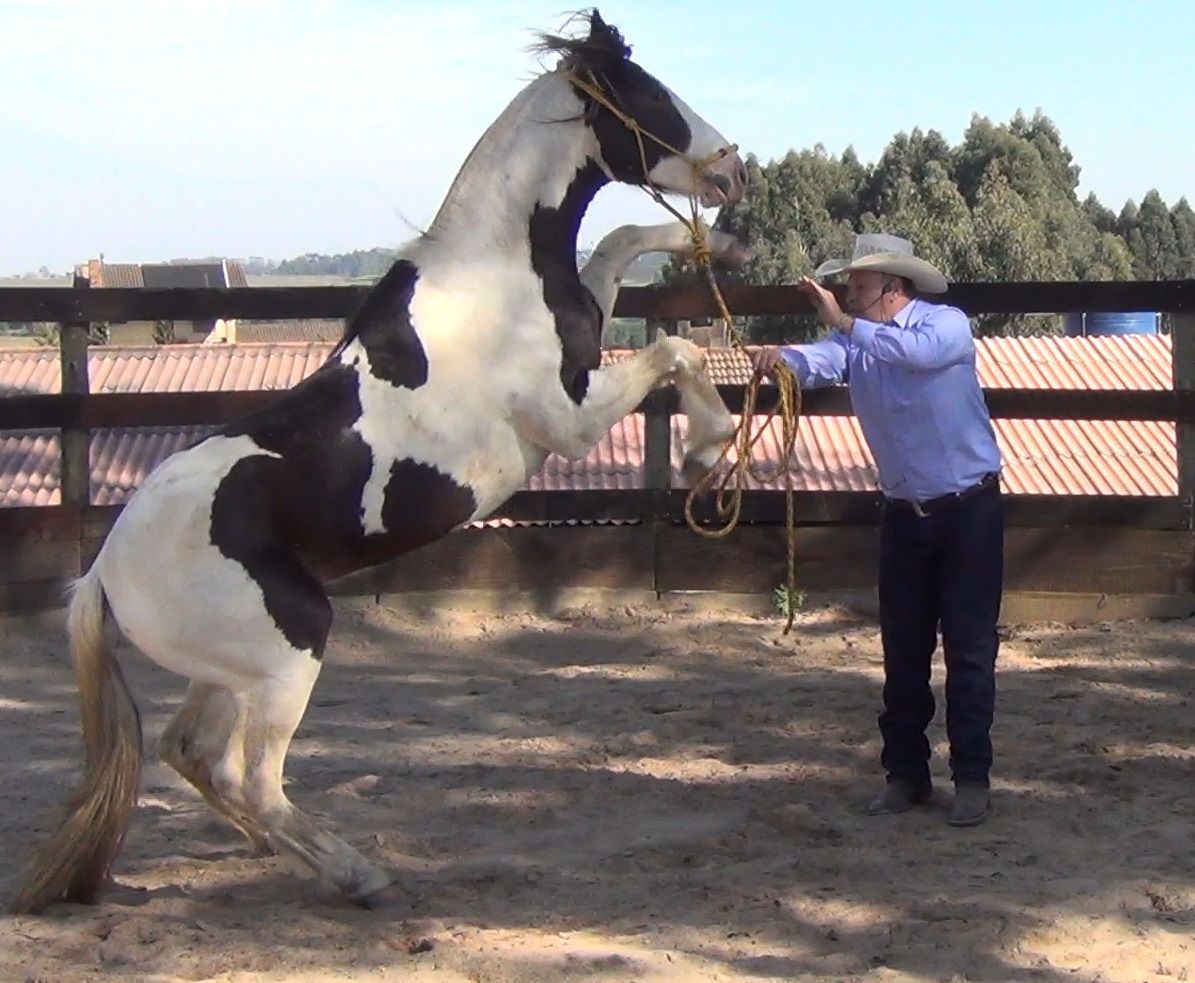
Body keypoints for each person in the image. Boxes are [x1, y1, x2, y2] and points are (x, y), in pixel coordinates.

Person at [754, 233, 1004, 827]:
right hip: (905, 513)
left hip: (968, 511)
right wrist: (781, 359)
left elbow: (909, 354)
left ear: (892, 288)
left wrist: (842, 322)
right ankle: (907, 775)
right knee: (904, 649)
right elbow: (820, 360)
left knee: (969, 651)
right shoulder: (860, 342)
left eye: (857, 284)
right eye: (847, 284)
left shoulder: (945, 326)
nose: (847, 292)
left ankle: (971, 777)